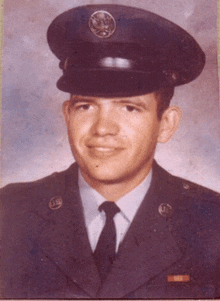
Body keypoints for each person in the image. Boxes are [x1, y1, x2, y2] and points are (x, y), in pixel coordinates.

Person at [1, 4, 220, 299]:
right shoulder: (10, 213)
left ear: (166, 124)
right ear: (67, 114)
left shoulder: (211, 222)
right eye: (86, 106)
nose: (103, 128)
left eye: (129, 108)